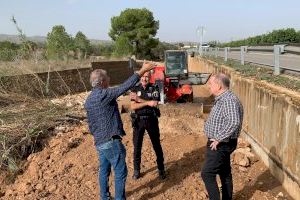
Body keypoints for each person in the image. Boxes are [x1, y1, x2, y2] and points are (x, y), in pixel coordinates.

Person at [84, 62, 154, 200]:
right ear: (102, 81)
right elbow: (124, 87)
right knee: (120, 172)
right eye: (107, 78)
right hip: (110, 141)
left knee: (104, 170)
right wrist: (142, 71)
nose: (109, 79)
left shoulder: (89, 99)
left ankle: (104, 197)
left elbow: (91, 124)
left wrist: (97, 135)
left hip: (99, 142)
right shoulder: (104, 94)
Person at [201, 73, 244, 200]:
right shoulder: (223, 98)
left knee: (207, 173)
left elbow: (233, 121)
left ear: (219, 86)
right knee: (224, 172)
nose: (209, 86)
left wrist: (219, 138)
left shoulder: (228, 100)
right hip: (221, 142)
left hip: (221, 144)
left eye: (211, 84)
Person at [130, 71, 166, 180]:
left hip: (152, 120)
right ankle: (136, 170)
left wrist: (139, 100)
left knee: (156, 145)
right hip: (138, 121)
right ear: (140, 77)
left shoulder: (154, 88)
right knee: (137, 146)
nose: (144, 79)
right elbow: (133, 106)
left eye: (147, 77)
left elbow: (154, 103)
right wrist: (146, 102)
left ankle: (161, 168)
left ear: (150, 78)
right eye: (143, 76)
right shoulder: (135, 89)